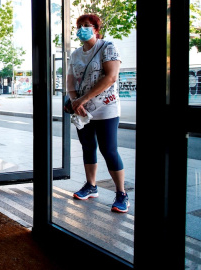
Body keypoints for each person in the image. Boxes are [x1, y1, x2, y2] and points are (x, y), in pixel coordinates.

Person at [67, 14, 129, 213]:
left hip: (106, 108)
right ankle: (91, 186)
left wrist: (82, 100)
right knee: (87, 147)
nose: (82, 29)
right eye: (79, 26)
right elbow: (70, 80)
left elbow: (111, 77)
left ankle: (121, 193)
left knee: (108, 149)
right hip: (82, 110)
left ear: (95, 28)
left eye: (87, 25)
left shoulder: (107, 47)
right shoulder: (76, 54)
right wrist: (76, 101)